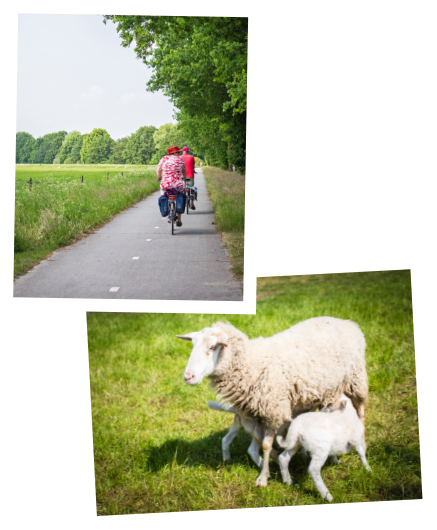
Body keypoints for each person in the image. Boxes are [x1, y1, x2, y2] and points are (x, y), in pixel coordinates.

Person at [157, 146, 186, 226]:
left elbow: (158, 169)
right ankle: (179, 219)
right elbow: (183, 170)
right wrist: (184, 177)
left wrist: (159, 177)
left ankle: (166, 208)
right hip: (177, 184)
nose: (179, 154)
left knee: (163, 194)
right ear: (175, 153)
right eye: (178, 152)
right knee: (180, 196)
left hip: (165, 184)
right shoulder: (180, 159)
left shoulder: (164, 159)